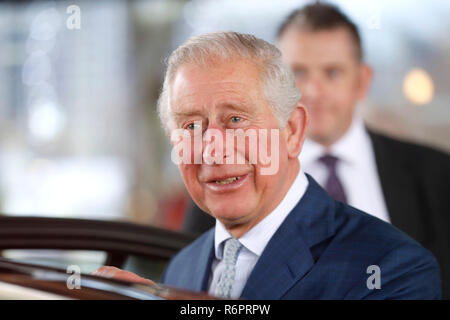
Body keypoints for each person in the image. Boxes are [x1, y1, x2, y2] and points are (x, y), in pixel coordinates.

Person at [93, 31, 441, 299]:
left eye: (235, 120)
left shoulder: (392, 267)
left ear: (292, 130)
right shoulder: (182, 266)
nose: (213, 151)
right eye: (192, 127)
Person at [182, 3, 450, 299]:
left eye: (332, 73)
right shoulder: (228, 177)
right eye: (297, 73)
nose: (313, 91)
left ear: (362, 81)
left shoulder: (437, 175)